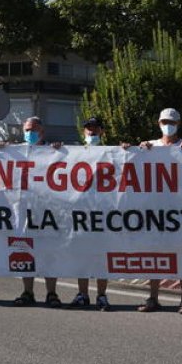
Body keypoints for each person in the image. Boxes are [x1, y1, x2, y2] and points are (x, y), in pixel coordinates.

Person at [137, 108, 182, 313]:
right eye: (164, 121)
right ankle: (153, 297)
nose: (167, 125)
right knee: (155, 254)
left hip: (181, 210)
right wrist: (134, 149)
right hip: (155, 210)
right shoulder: (150, 146)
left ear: (179, 124)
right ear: (158, 123)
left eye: (171, 122)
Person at [5, 116, 63, 307]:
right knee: (24, 249)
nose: (30, 133)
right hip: (23, 208)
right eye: (28, 129)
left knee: (48, 252)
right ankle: (27, 291)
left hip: (47, 209)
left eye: (34, 130)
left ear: (42, 132)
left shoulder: (53, 150)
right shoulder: (16, 150)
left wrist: (60, 151)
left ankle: (52, 293)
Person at [69, 116, 112, 311]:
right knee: (81, 255)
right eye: (88, 128)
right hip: (81, 212)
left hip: (104, 212)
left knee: (102, 256)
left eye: (95, 128)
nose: (91, 132)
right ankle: (83, 294)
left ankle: (102, 295)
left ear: (102, 131)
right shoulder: (74, 152)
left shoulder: (112, 152)